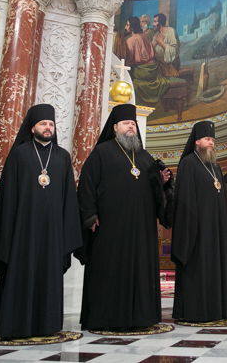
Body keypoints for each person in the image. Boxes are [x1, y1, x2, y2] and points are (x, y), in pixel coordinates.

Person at [0, 104, 81, 339]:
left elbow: (69, 197)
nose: (47, 128)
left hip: (52, 232)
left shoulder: (62, 157)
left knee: (49, 273)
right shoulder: (19, 154)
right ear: (32, 127)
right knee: (20, 272)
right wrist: (7, 231)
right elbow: (7, 198)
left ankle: (46, 325)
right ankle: (15, 324)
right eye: (42, 124)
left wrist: (68, 231)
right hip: (22, 231)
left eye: (50, 124)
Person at [76, 104, 174, 330]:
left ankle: (141, 318)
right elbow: (87, 185)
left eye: (133, 123)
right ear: (114, 127)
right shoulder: (102, 152)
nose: (131, 126)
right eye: (126, 123)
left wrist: (163, 182)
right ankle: (106, 318)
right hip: (111, 228)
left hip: (141, 230)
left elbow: (155, 192)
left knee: (140, 271)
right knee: (110, 270)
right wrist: (90, 215)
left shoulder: (145, 157)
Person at [172, 121, 227, 322]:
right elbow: (185, 200)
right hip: (197, 231)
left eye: (213, 140)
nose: (212, 143)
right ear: (197, 141)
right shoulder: (188, 163)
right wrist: (193, 227)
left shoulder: (215, 166)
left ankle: (218, 309)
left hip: (216, 230)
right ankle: (197, 310)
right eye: (208, 139)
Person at [125, 16, 171, 105]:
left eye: (127, 25)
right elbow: (153, 52)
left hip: (141, 72)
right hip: (152, 69)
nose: (125, 27)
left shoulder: (130, 41)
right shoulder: (144, 36)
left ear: (131, 27)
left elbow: (129, 61)